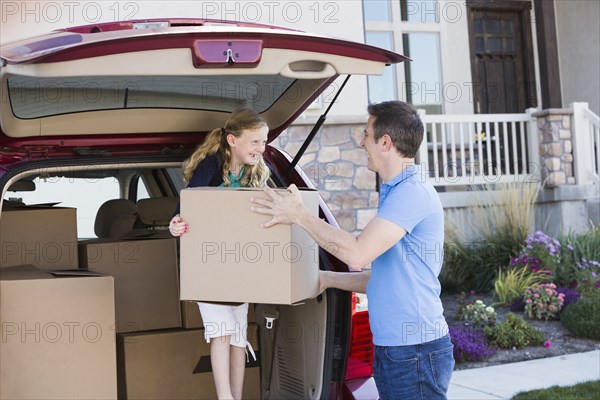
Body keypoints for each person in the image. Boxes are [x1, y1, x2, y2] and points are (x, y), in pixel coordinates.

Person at [250, 101, 454, 400]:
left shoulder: (412, 193)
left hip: (415, 352)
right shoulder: (397, 190)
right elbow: (386, 278)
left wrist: (300, 215)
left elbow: (358, 254)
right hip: (397, 349)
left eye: (366, 134)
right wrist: (327, 279)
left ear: (385, 142)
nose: (361, 141)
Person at [169, 108, 270, 400]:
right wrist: (176, 225)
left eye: (264, 142)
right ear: (232, 140)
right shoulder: (211, 166)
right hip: (208, 263)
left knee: (239, 336)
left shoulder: (257, 171)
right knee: (221, 332)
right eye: (255, 142)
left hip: (239, 263)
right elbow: (186, 210)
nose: (260, 149)